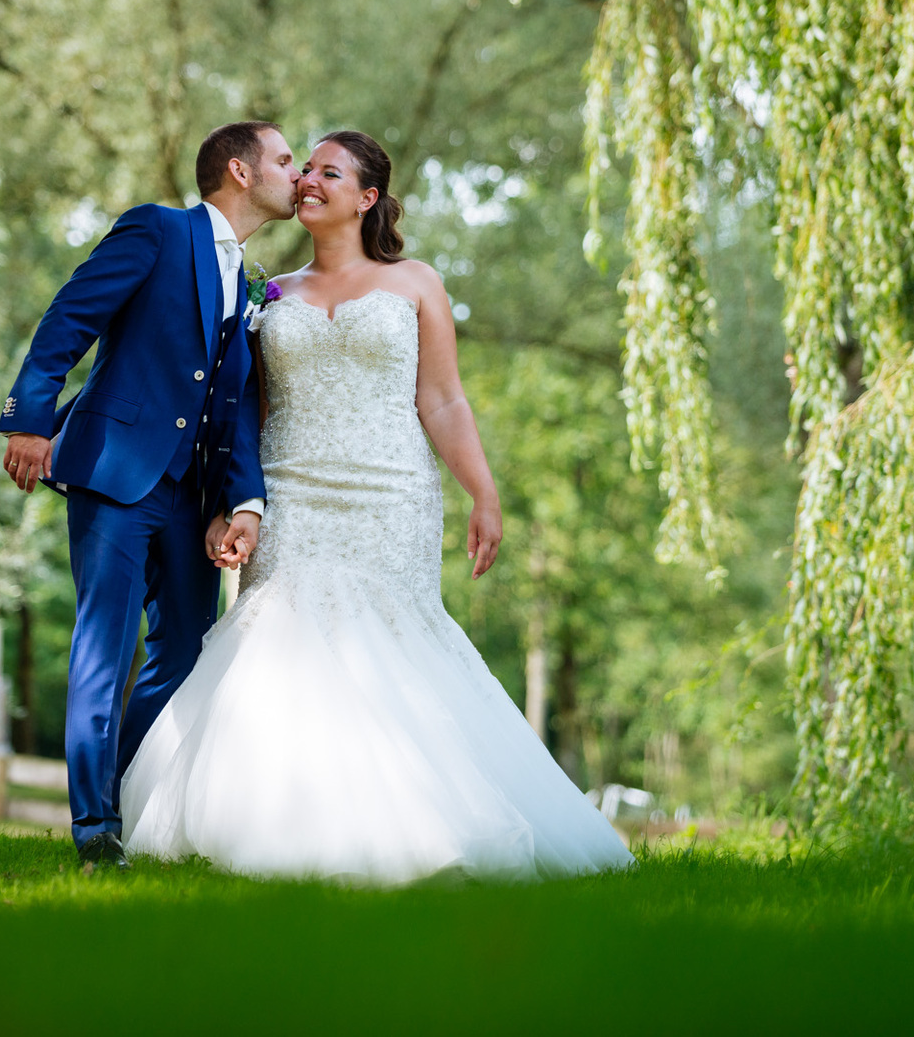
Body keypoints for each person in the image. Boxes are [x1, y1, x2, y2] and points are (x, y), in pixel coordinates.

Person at [121, 129, 633, 883]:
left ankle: (425, 821)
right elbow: (246, 415)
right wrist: (239, 504)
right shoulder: (271, 295)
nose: (308, 182)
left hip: (392, 493)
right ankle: (284, 820)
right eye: (305, 171)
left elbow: (444, 399)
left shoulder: (417, 283)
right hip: (292, 493)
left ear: (367, 198)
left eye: (329, 173)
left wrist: (483, 493)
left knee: (389, 647)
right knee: (281, 646)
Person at [0, 121, 299, 870]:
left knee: (183, 654)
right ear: (239, 170)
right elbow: (71, 317)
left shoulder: (250, 279)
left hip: (193, 496)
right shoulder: (157, 232)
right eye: (286, 160)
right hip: (117, 471)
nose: (297, 174)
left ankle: (130, 799)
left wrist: (241, 500)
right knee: (106, 644)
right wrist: (31, 419)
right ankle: (94, 828)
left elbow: (234, 406)